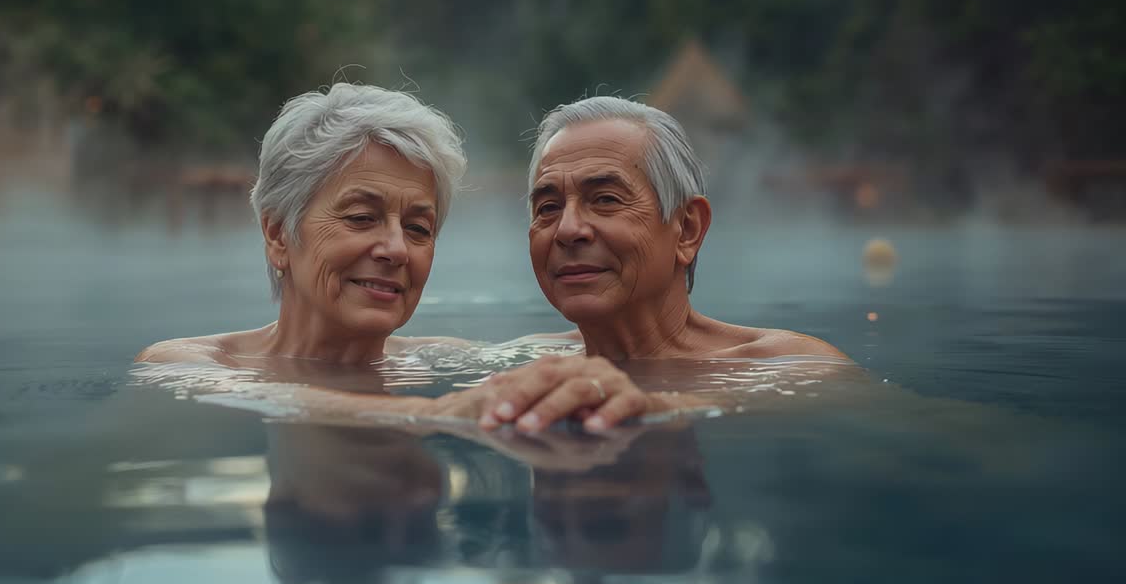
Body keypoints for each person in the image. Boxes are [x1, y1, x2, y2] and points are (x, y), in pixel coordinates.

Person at [474, 96, 852, 433]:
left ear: (687, 229)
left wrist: (663, 407)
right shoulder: (530, 357)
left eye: (605, 199)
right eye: (548, 208)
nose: (567, 230)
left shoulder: (791, 364)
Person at [136, 82, 468, 371]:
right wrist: (433, 411)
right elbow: (258, 396)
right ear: (278, 234)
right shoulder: (187, 363)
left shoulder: (449, 359)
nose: (397, 249)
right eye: (361, 218)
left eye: (418, 229)